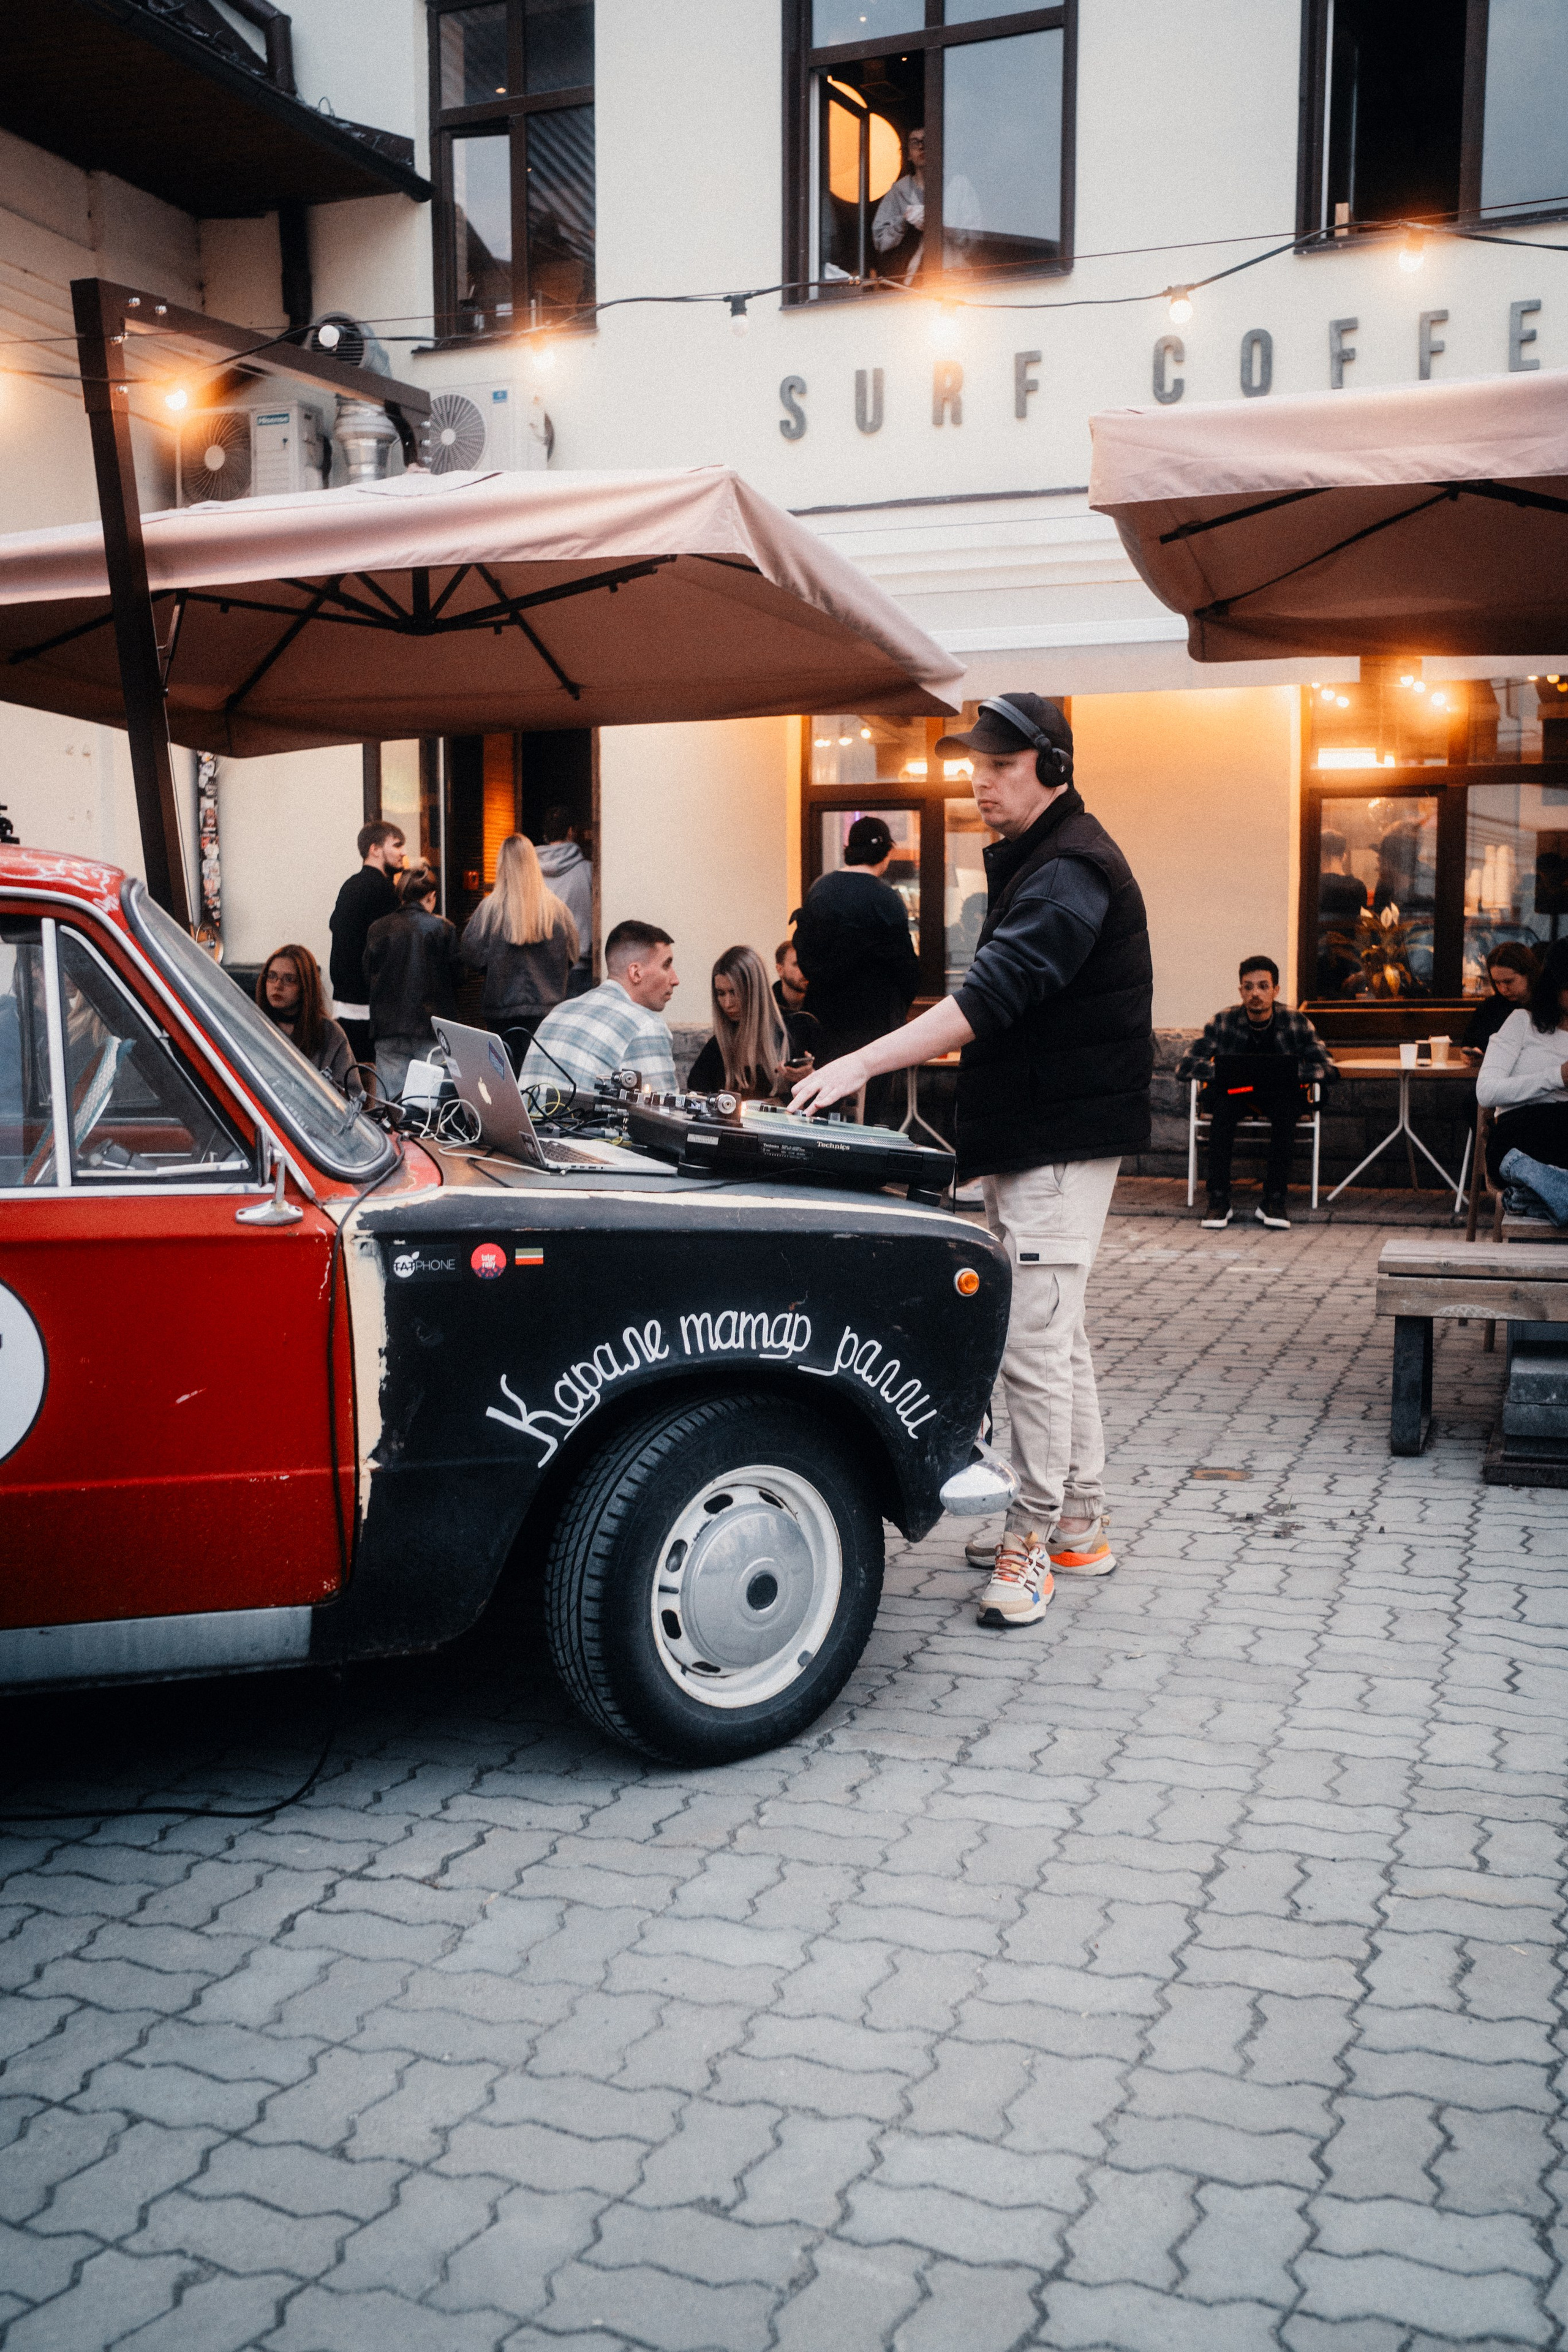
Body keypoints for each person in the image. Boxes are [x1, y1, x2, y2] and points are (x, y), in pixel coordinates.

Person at [791, 693, 1153, 1630]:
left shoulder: (1073, 867)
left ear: (1053, 769)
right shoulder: (1047, 858)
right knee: (1054, 1334)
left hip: (1060, 1137)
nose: (977, 780)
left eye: (998, 765)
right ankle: (1078, 1521)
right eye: (973, 765)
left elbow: (993, 995)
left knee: (1030, 1340)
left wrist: (861, 1060)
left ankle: (1030, 1537)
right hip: (1042, 1130)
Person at [1178, 956, 1337, 1231]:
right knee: (1223, 1111)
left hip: (1279, 1094)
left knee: (1288, 1111)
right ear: (1240, 990)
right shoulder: (1223, 1021)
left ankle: (1274, 1199)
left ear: (1276, 990)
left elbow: (1327, 1067)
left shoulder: (1295, 1021)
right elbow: (1186, 1065)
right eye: (1248, 987)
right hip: (1237, 1092)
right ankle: (1219, 1199)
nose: (1255, 994)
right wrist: (1225, 1073)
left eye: (1263, 986)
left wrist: (1291, 1073)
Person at [793, 814, 919, 1121]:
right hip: (875, 1025)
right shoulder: (886, 899)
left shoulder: (820, 890)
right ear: (887, 852)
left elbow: (807, 957)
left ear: (848, 848)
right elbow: (906, 970)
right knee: (871, 1117)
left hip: (825, 1022)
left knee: (821, 1110)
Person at [522, 919, 679, 1098]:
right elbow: (665, 1119)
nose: (675, 980)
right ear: (636, 973)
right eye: (666, 965)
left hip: (525, 1125)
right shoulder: (645, 1026)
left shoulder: (560, 1011)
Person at [460, 833, 579, 1063]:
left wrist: (493, 965)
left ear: (502, 865)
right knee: (540, 1082)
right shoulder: (558, 910)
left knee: (506, 1082)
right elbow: (573, 956)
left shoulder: (489, 911)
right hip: (547, 1012)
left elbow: (471, 954)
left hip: (501, 1012)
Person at [1479, 940, 1568, 1221]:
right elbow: (1486, 1091)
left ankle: (1535, 1197)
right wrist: (1557, 1077)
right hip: (1521, 1132)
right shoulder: (1522, 1022)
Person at [364, 862, 461, 1101]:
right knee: (429, 1110)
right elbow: (459, 976)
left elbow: (368, 974)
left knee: (392, 1106)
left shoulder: (378, 929)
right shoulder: (443, 929)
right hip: (432, 1027)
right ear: (432, 896)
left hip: (388, 1028)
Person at [689, 946, 817, 1100]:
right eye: (721, 993)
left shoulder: (801, 1028)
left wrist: (812, 1077)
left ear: (755, 991)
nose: (727, 1004)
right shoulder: (717, 1047)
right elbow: (695, 1096)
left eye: (734, 992)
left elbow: (835, 1102)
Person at [328, 820, 406, 1064]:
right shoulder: (383, 892)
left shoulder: (350, 886)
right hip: (371, 1009)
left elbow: (335, 926)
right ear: (375, 849)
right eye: (396, 845)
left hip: (345, 1005)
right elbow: (392, 950)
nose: (403, 852)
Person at [870, 126, 983, 283]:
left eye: (926, 141)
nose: (921, 146)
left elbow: (975, 239)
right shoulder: (899, 191)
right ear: (908, 154)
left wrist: (940, 224)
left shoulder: (959, 186)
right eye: (915, 143)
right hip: (910, 283)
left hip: (954, 279)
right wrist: (903, 222)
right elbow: (880, 240)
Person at [255, 943, 361, 1096]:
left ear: (305, 986)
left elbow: (353, 1096)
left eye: (289, 979)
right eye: (272, 977)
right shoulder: (252, 1023)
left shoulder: (330, 1034)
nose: (278, 986)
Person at [536, 806, 594, 995]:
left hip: (540, 968)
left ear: (545, 834)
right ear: (571, 831)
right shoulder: (590, 872)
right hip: (579, 967)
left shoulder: (530, 875)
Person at [1463, 940, 1540, 1057]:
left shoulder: (1548, 1005)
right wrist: (1469, 1054)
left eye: (1508, 981)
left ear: (1529, 973)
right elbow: (1469, 1043)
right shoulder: (1489, 1008)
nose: (1503, 989)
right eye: (1497, 982)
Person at [1316, 828, 1368, 993]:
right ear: (1343, 854)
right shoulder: (1359, 887)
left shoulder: (1315, 885)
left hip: (1320, 961)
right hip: (1350, 963)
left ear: (1321, 853)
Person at [775, 936, 809, 1017]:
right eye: (797, 964)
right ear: (780, 969)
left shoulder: (824, 1004)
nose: (804, 969)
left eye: (807, 963)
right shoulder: (768, 1007)